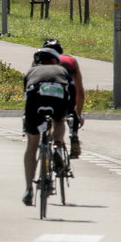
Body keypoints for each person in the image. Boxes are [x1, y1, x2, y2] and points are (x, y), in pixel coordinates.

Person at [21, 48, 73, 206]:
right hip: (57, 99)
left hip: (35, 101)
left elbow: (26, 95)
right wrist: (72, 114)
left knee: (32, 145)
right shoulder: (62, 70)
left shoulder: (31, 71)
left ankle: (29, 189)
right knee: (59, 119)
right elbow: (72, 93)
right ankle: (57, 145)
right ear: (55, 60)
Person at [42, 39, 85, 158]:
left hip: (42, 95)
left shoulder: (40, 60)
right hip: (64, 95)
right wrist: (78, 114)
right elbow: (79, 92)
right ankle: (74, 136)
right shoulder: (70, 61)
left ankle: (46, 139)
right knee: (67, 113)